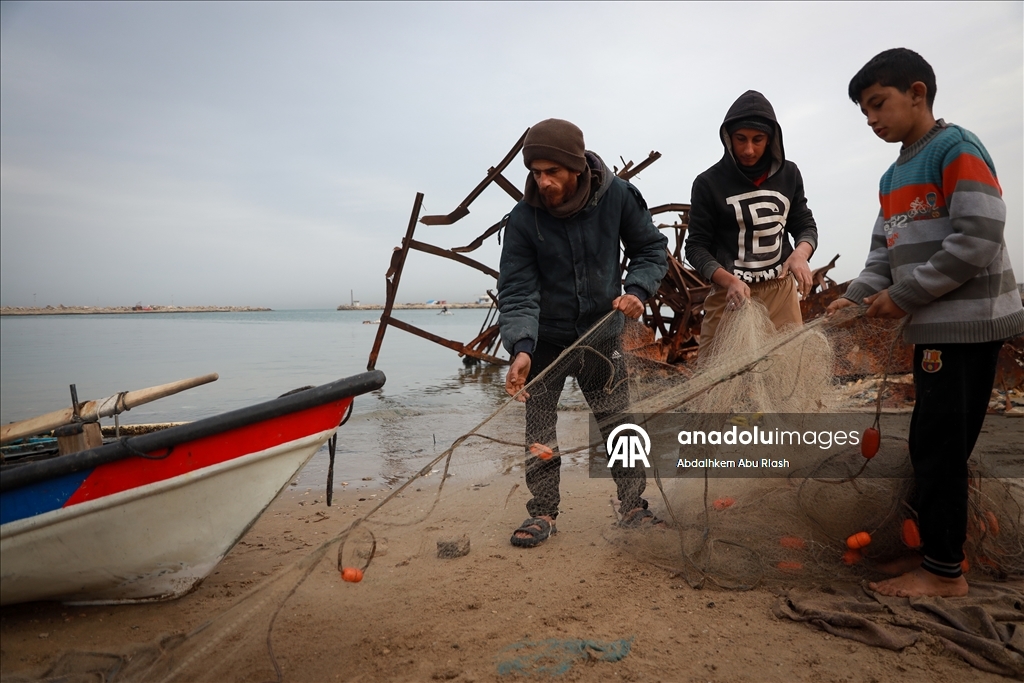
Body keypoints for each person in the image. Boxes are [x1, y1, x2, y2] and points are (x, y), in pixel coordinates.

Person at [828, 48, 1024, 597]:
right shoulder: (893, 176)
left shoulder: (954, 149)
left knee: (940, 446)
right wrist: (857, 296)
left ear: (918, 93)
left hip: (968, 327)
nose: (871, 119)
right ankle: (924, 548)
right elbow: (881, 255)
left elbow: (979, 238)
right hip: (934, 331)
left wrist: (906, 295)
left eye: (878, 104)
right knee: (928, 441)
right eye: (864, 112)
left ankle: (944, 573)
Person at [497, 118, 668, 548]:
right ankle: (543, 512)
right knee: (539, 426)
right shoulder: (523, 219)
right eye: (535, 172)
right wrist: (520, 348)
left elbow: (650, 248)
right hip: (546, 342)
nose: (543, 181)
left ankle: (632, 505)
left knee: (617, 420)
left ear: (576, 167)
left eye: (552, 171)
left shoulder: (617, 197)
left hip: (601, 332)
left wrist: (637, 290)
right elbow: (517, 288)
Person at [685, 90, 819, 353]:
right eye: (740, 139)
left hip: (781, 292)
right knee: (717, 383)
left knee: (786, 378)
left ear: (771, 139)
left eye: (758, 140)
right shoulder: (708, 183)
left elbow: (804, 224)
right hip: (731, 294)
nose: (748, 149)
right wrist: (729, 281)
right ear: (728, 138)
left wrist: (801, 254)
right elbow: (696, 247)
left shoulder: (789, 174)